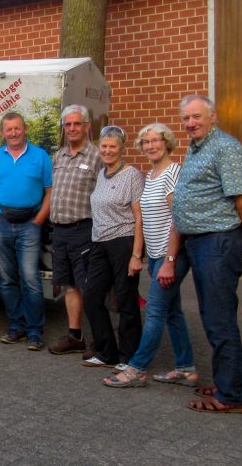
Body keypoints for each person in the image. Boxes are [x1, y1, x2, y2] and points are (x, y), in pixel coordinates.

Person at [159, 94, 242, 414]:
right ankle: (227, 382)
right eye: (186, 118)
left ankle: (232, 397)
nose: (190, 123)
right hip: (200, 243)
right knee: (213, 317)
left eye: (197, 117)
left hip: (217, 243)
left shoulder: (225, 148)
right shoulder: (196, 147)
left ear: (213, 116)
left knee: (220, 320)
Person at [104, 123, 195, 388]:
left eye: (156, 140)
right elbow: (145, 218)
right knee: (172, 312)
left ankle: (137, 369)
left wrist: (169, 260)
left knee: (154, 312)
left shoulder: (172, 173)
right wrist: (144, 256)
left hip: (171, 255)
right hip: (157, 255)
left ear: (167, 143)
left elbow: (178, 219)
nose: (151, 146)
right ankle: (186, 369)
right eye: (146, 142)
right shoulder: (153, 174)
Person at [0, 111, 51, 350]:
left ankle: (35, 331)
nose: (13, 133)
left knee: (30, 278)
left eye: (17, 128)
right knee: (7, 279)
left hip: (29, 225)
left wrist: (39, 219)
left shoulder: (41, 157)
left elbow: (49, 192)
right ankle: (16, 326)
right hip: (0, 223)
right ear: (3, 132)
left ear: (25, 129)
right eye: (9, 129)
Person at [81, 126, 145, 369]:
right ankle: (106, 351)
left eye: (112, 147)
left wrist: (137, 255)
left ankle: (129, 357)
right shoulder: (101, 174)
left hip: (123, 242)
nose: (107, 151)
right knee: (92, 297)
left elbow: (140, 217)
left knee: (126, 300)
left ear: (122, 148)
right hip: (99, 242)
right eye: (104, 146)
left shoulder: (133, 176)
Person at [48, 105, 101, 355]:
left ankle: (100, 340)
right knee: (69, 286)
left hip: (84, 230)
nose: (71, 128)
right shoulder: (58, 156)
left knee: (89, 286)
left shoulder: (97, 157)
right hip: (60, 231)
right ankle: (75, 336)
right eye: (67, 125)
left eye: (76, 124)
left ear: (87, 126)